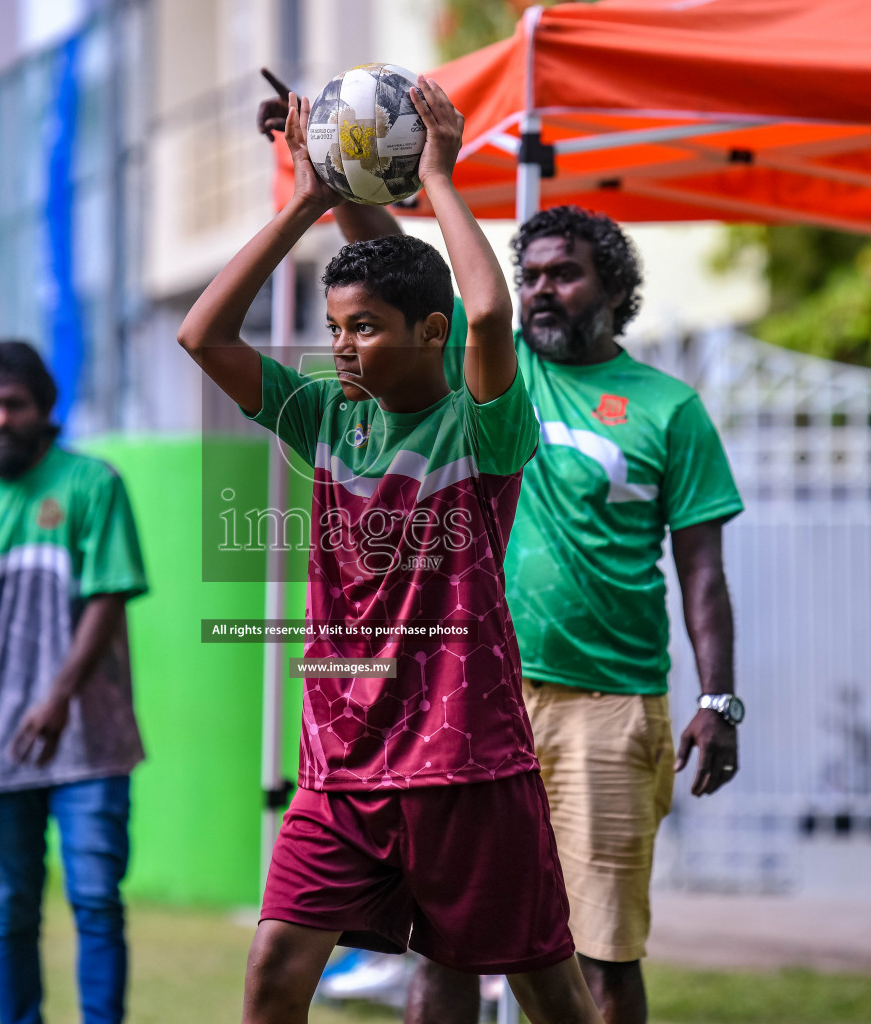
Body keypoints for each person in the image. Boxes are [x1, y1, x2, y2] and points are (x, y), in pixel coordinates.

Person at [259, 103, 745, 1024]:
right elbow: (407, 277)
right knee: (446, 948)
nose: (541, 291)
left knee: (599, 948)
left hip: (608, 697)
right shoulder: (490, 366)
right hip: (478, 696)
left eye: (564, 274)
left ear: (615, 289)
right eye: (529, 275)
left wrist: (717, 698)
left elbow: (704, 575)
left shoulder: (669, 408)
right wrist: (334, 166)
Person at [186, 83, 602, 1024]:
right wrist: (302, 196)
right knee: (273, 972)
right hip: (341, 765)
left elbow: (489, 316)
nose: (338, 347)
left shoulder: (479, 425)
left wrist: (439, 181)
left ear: (429, 334)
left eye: (361, 328)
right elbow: (202, 334)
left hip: (470, 765)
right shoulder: (325, 412)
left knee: (550, 993)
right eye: (333, 328)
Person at [0, 340, 150, 1024]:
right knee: (10, 913)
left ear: (45, 410)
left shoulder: (92, 486)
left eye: (14, 404)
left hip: (91, 744)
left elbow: (107, 600)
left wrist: (58, 697)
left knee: (96, 899)